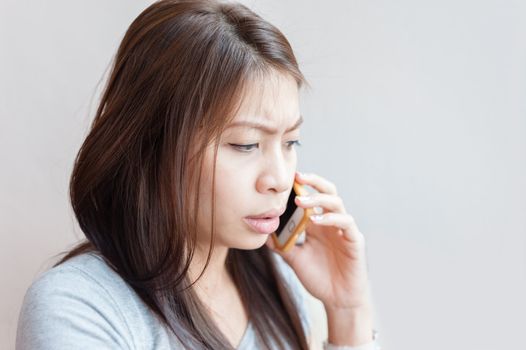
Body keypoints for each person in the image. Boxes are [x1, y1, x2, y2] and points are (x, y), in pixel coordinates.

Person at [15, 0, 380, 349]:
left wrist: (349, 312)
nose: (280, 179)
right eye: (246, 145)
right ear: (153, 147)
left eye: (291, 142)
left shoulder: (281, 286)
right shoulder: (80, 306)